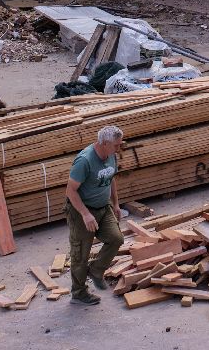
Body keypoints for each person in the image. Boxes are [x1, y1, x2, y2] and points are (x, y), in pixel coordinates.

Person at [65, 125, 125, 305]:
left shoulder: (111, 154)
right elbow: (70, 191)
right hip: (82, 210)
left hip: (103, 207)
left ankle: (96, 270)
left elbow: (111, 177)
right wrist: (85, 214)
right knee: (80, 254)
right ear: (105, 143)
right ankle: (79, 292)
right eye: (116, 145)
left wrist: (115, 203)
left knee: (116, 238)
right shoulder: (85, 161)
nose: (119, 148)